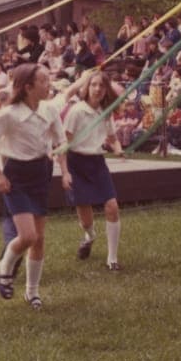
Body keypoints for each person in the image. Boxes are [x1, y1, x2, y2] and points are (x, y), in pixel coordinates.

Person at [0, 64, 73, 309]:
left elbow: (60, 141)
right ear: (28, 87)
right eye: (43, 81)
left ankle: (32, 292)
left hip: (41, 172)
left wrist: (64, 169)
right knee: (28, 236)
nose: (48, 84)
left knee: (39, 239)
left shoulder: (50, 109)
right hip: (17, 176)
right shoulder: (8, 114)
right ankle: (5, 265)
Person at [63, 71, 125, 270]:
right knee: (85, 215)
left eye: (102, 86)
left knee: (112, 206)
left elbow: (112, 137)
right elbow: (64, 142)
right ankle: (89, 236)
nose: (97, 89)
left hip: (97, 163)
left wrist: (118, 149)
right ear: (86, 88)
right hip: (76, 163)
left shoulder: (106, 111)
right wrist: (65, 171)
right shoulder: (77, 111)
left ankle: (112, 259)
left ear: (106, 90)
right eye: (94, 85)